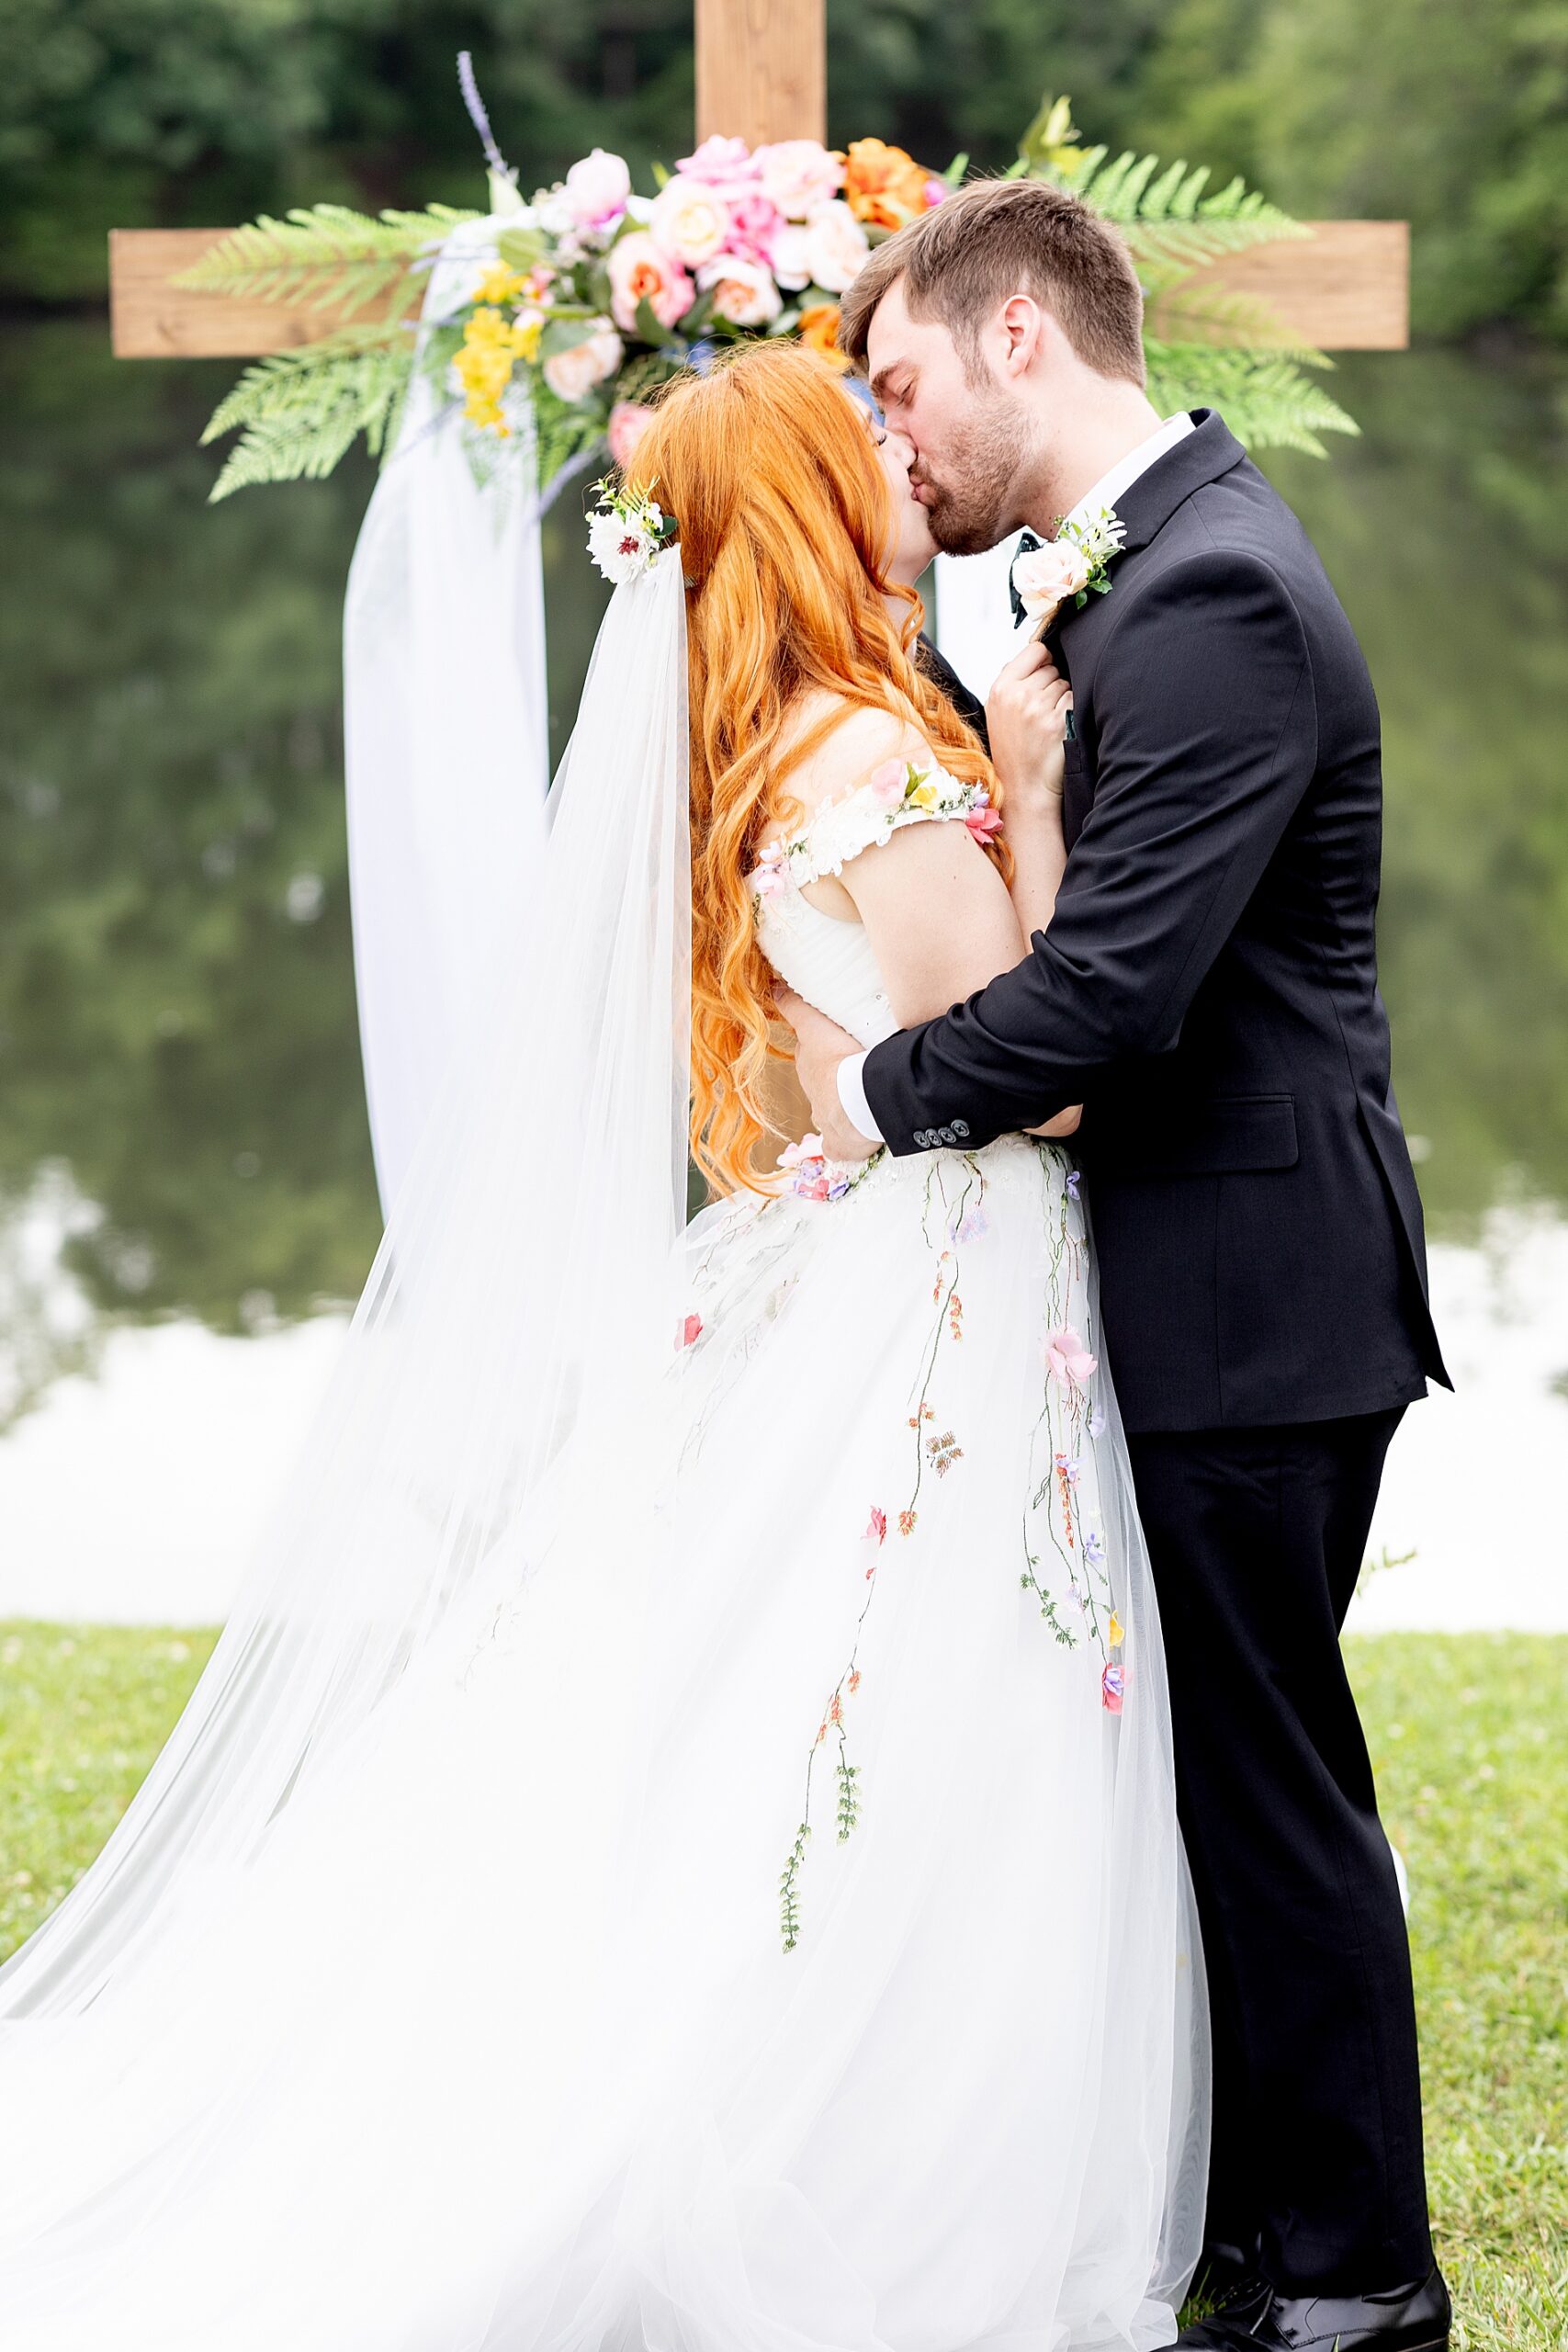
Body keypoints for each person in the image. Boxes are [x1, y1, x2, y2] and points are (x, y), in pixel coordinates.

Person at [0, 341, 1205, 2350]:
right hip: (941, 1297)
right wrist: (1019, 788)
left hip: (887, 1263)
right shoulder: (876, 756)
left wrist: (873, 1048)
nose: (902, 458)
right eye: (866, 441)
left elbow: (848, 1059)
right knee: (921, 1715)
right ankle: (862, 2159)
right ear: (821, 501)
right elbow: (1042, 1070)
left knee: (841, 1706)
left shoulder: (763, 744)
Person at [784, 176, 1453, 2352]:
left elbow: (1112, 1001)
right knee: (1202, 1778)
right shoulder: (1144, 577)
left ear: (1014, 340)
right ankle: (1254, 2240)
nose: (892, 443)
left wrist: (864, 1098)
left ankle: (1351, 2269)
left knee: (1265, 1785)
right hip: (1193, 1280)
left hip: (1249, 1287)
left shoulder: (1220, 596)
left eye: (897, 386)